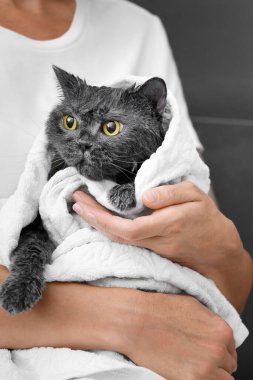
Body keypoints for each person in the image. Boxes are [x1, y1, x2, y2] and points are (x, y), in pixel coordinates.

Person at [0, 0, 252, 379]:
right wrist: (130, 322)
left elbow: (225, 301)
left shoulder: (138, 27)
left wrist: (221, 246)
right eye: (70, 123)